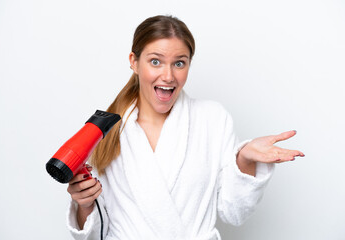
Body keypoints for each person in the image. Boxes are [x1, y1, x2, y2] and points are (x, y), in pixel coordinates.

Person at [66, 15, 304, 240]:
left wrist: (244, 160)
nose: (168, 76)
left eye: (179, 63)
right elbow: (95, 233)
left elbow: (234, 213)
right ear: (134, 62)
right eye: (155, 61)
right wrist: (85, 204)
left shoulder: (212, 119)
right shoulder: (105, 130)